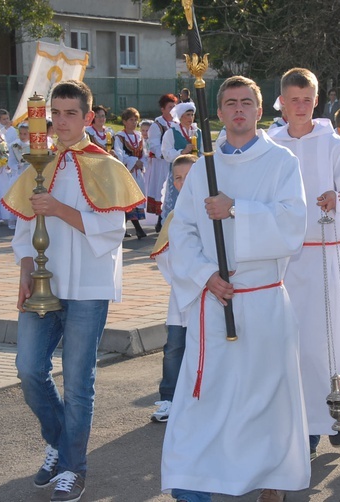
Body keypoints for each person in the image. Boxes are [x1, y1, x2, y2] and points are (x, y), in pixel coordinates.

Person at [161, 75, 309, 502]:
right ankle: (197, 486)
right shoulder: (204, 164)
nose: (239, 109)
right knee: (204, 403)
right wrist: (206, 274)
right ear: (219, 112)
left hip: (263, 302)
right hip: (215, 299)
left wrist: (236, 210)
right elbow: (183, 230)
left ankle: (271, 479)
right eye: (230, 103)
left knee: (266, 404)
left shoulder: (281, 162)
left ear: (260, 110)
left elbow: (291, 226)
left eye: (247, 102)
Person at [2, 79, 144, 502]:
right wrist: (26, 267)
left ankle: (73, 469)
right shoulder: (36, 162)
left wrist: (59, 209)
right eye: (55, 114)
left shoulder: (106, 164)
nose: (61, 122)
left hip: (87, 287)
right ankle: (61, 444)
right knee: (29, 370)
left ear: (88, 117)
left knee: (78, 382)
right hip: (44, 285)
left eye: (70, 113)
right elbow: (24, 228)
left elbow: (111, 232)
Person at [269, 67, 340, 458]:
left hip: (324, 253)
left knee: (328, 339)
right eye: (294, 100)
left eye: (308, 100)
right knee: (292, 343)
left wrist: (335, 199)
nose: (301, 107)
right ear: (282, 103)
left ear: (317, 101)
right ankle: (304, 425)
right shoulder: (270, 144)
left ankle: (337, 405)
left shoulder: (335, 145)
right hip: (284, 260)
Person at [149, 154, 196, 423]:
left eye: (188, 176)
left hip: (209, 292)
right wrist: (183, 279)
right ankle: (169, 397)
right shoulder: (174, 217)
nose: (183, 182)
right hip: (181, 294)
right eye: (177, 178)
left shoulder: (214, 212)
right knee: (174, 347)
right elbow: (163, 256)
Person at [161, 102, 201, 231]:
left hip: (195, 173)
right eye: (187, 115)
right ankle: (172, 228)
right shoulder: (172, 133)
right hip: (178, 173)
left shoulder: (198, 132)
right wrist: (182, 152)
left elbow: (205, 151)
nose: (190, 118)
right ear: (180, 116)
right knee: (175, 200)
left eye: (192, 115)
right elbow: (166, 153)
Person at [114, 107, 148, 239]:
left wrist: (141, 162)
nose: (134, 123)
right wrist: (133, 161)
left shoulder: (139, 136)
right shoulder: (120, 137)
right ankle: (137, 229)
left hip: (137, 172)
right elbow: (119, 154)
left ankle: (122, 229)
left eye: (135, 120)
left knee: (135, 197)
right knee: (128, 198)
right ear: (124, 121)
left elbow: (144, 153)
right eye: (131, 120)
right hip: (127, 172)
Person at [147, 93, 179, 231]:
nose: (173, 110)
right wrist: (166, 154)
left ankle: (170, 219)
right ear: (163, 109)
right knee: (163, 189)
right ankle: (161, 220)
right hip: (162, 164)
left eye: (174, 107)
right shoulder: (157, 125)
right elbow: (153, 144)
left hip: (177, 162)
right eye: (170, 107)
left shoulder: (177, 123)